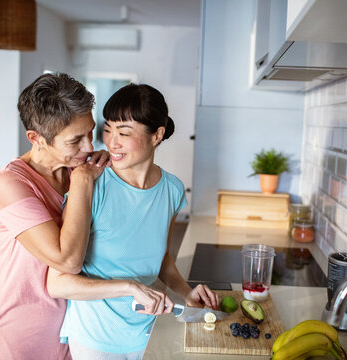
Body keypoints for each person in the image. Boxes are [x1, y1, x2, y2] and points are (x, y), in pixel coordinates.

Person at [47, 83, 219, 360]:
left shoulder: (172, 189)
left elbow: (160, 258)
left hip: (148, 327)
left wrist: (187, 293)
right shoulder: (92, 184)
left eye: (124, 133)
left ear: (157, 135)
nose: (112, 142)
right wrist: (129, 287)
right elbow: (59, 283)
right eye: (108, 130)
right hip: (95, 336)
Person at [0, 73, 110, 360]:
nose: (89, 147)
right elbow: (67, 260)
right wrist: (84, 181)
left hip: (71, 332)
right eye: (75, 141)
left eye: (90, 133)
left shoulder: (77, 167)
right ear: (36, 139)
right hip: (18, 336)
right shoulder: (11, 183)